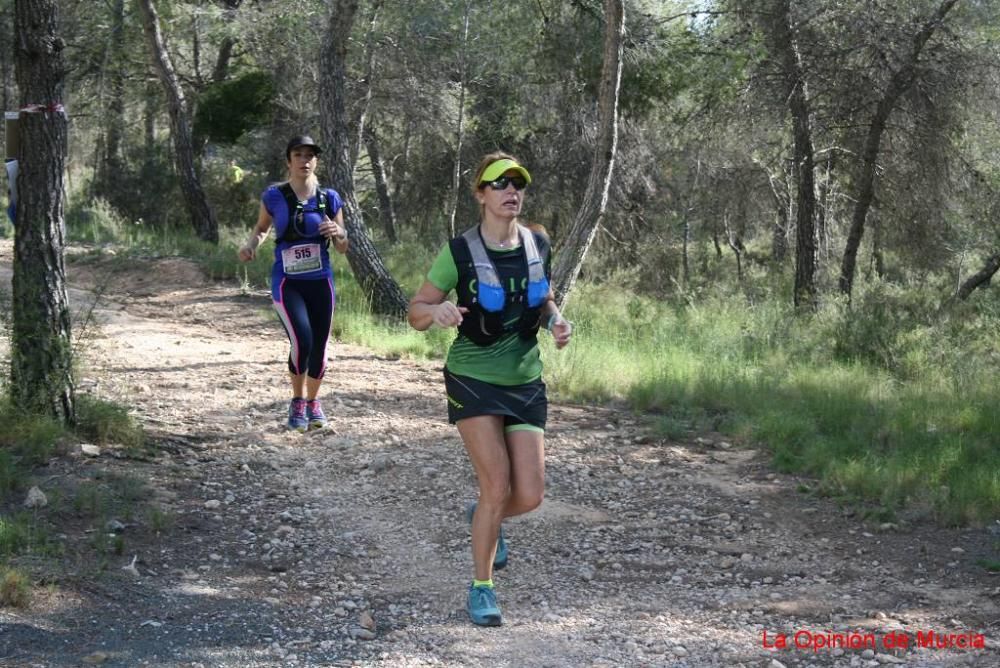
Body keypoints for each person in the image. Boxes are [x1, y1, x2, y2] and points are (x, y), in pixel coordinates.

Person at [407, 152, 573, 626]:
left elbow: (543, 298)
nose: (510, 191)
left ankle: (484, 515)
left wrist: (557, 321)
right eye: (499, 184)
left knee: (532, 494)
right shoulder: (458, 252)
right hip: (473, 377)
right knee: (496, 485)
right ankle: (482, 588)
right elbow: (416, 309)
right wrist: (433, 314)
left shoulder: (538, 242)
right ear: (481, 194)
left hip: (525, 379)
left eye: (517, 183)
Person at [238, 135, 349, 431]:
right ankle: (297, 400)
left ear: (316, 161)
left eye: (310, 155)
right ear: (289, 161)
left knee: (320, 345)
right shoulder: (274, 196)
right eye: (298, 155)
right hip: (287, 282)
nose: (305, 160)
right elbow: (262, 228)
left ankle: (314, 404)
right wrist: (251, 246)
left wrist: (337, 232)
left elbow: (342, 246)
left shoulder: (330, 198)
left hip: (320, 281)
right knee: (302, 339)